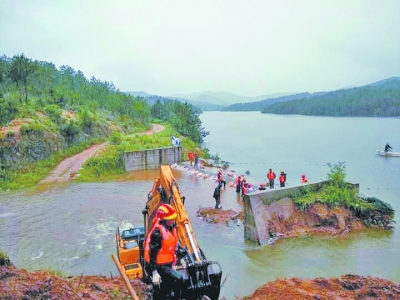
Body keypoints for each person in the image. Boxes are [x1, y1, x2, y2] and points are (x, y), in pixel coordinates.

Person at [144, 204, 183, 300]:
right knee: (178, 278)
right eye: (170, 219)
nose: (172, 221)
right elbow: (152, 254)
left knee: (166, 287)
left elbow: (172, 247)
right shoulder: (157, 234)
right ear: (164, 220)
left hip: (167, 264)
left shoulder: (170, 229)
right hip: (158, 265)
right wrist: (154, 272)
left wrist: (175, 261)